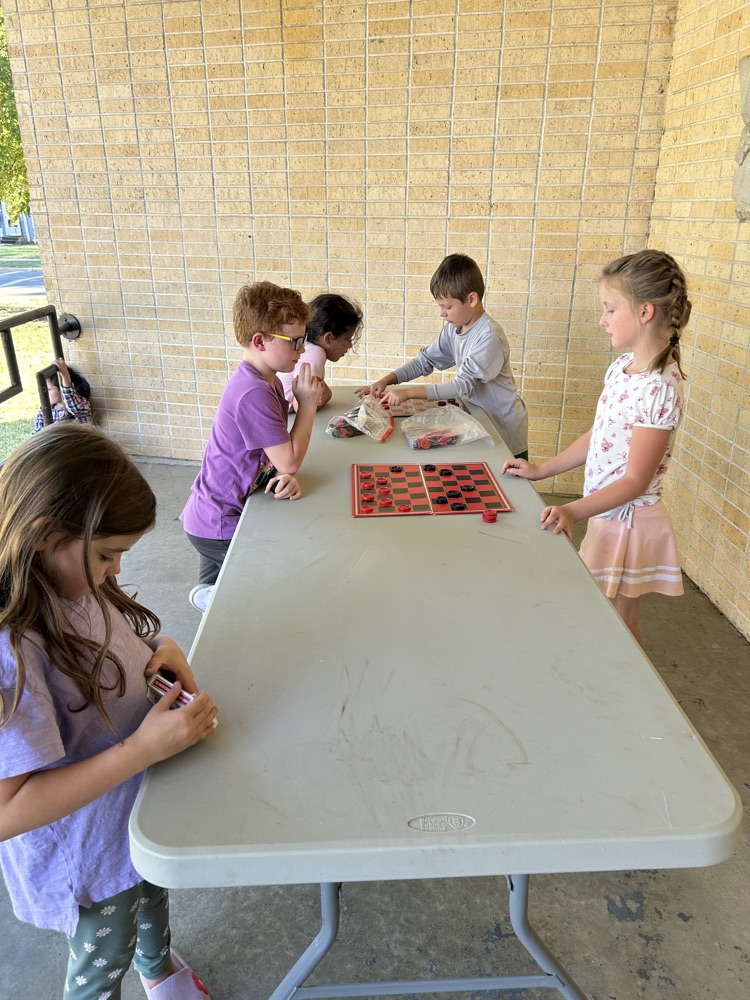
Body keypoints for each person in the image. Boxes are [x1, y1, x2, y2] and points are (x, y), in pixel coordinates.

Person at [0, 422, 218, 1000]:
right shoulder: (12, 648)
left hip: (131, 820)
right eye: (107, 554)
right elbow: (6, 810)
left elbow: (111, 644)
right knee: (103, 957)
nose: (116, 570)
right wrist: (142, 749)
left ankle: (158, 967)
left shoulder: (72, 583)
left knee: (152, 893)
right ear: (45, 534)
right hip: (89, 856)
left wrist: (159, 650)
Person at [502, 249, 691, 646]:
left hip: (630, 521)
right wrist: (543, 469)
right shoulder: (621, 369)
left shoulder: (658, 388)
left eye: (609, 309)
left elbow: (637, 480)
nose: (602, 320)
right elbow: (600, 435)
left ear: (644, 312)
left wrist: (572, 509)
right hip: (607, 512)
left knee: (619, 625)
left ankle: (632, 699)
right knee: (603, 617)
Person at [181, 280, 322, 612]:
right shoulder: (254, 391)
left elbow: (270, 451)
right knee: (260, 591)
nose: (303, 349)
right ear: (260, 341)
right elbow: (288, 460)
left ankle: (209, 597)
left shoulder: (263, 378)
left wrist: (275, 472)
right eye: (296, 341)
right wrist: (308, 406)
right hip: (220, 521)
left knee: (215, 597)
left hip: (212, 511)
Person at [356, 253, 528, 458]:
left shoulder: (489, 337)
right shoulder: (454, 328)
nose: (442, 313)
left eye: (447, 307)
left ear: (472, 299)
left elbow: (461, 385)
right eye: (440, 306)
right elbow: (425, 361)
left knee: (509, 483)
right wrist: (388, 380)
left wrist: (408, 393)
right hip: (477, 420)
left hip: (503, 429)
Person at [278, 292, 363, 411]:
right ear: (328, 338)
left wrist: (326, 394)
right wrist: (321, 397)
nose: (350, 345)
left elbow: (321, 395)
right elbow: (301, 405)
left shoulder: (309, 348)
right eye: (348, 339)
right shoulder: (315, 353)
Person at [32, 356, 92, 433]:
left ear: (61, 389)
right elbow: (36, 434)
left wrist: (65, 374)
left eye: (49, 389)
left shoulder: (82, 405)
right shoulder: (44, 411)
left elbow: (73, 405)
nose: (44, 393)